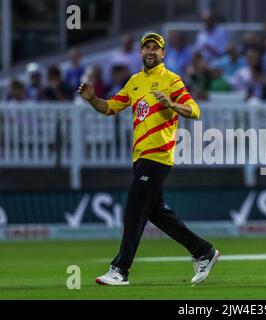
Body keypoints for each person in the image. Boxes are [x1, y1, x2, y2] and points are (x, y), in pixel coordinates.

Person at [77, 32, 220, 286]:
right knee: (156, 212)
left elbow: (195, 111)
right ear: (141, 52)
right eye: (147, 47)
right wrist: (92, 100)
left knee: (134, 209)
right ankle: (203, 251)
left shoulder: (171, 80)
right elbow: (110, 107)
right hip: (140, 157)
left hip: (159, 155)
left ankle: (120, 269)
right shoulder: (134, 81)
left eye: (156, 48)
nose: (151, 51)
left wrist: (172, 105)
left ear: (163, 53)